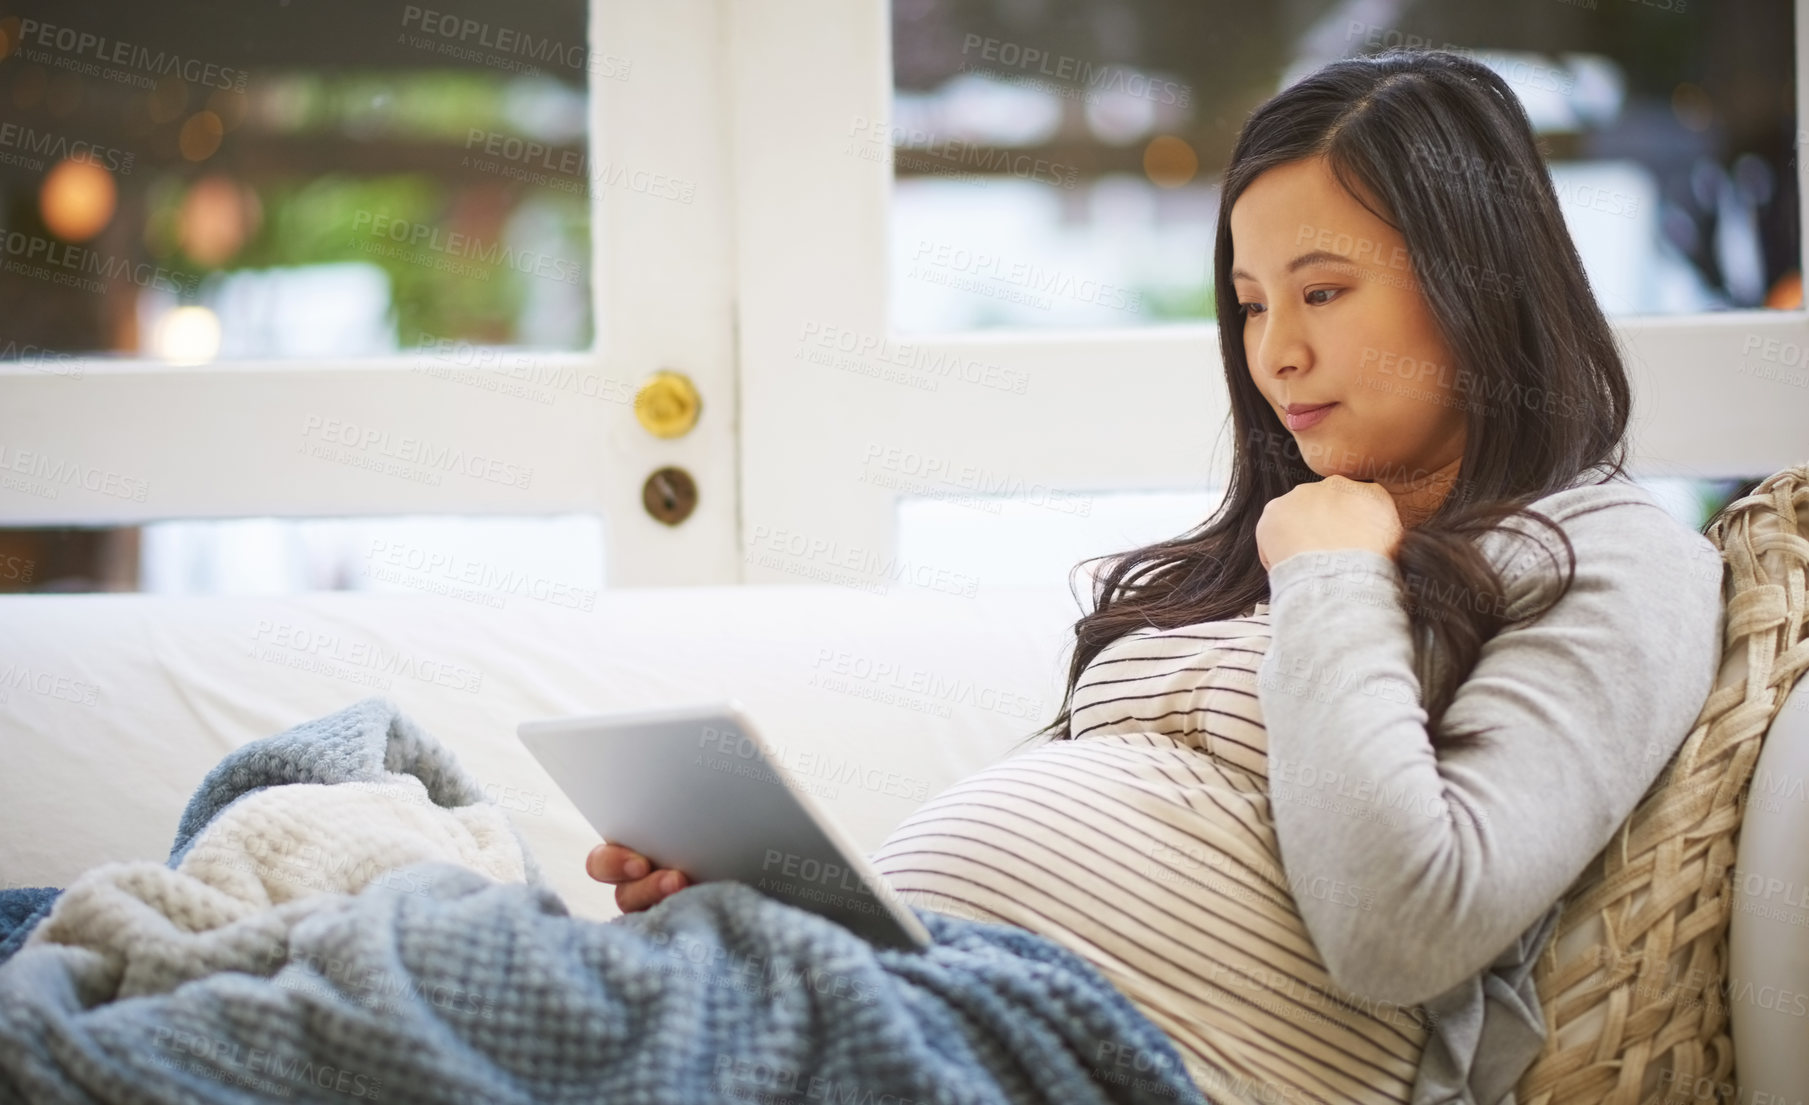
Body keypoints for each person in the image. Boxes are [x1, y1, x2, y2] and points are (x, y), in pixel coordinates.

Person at [587, 48, 1724, 1105]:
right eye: (1251, 302)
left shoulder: (1616, 557)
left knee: (433, 953)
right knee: (473, 918)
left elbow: (1401, 932)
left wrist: (1334, 576)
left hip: (1073, 1060)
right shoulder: (1268, 548)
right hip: (916, 1006)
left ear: (1480, 281)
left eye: (1324, 291)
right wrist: (769, 902)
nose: (1275, 351)